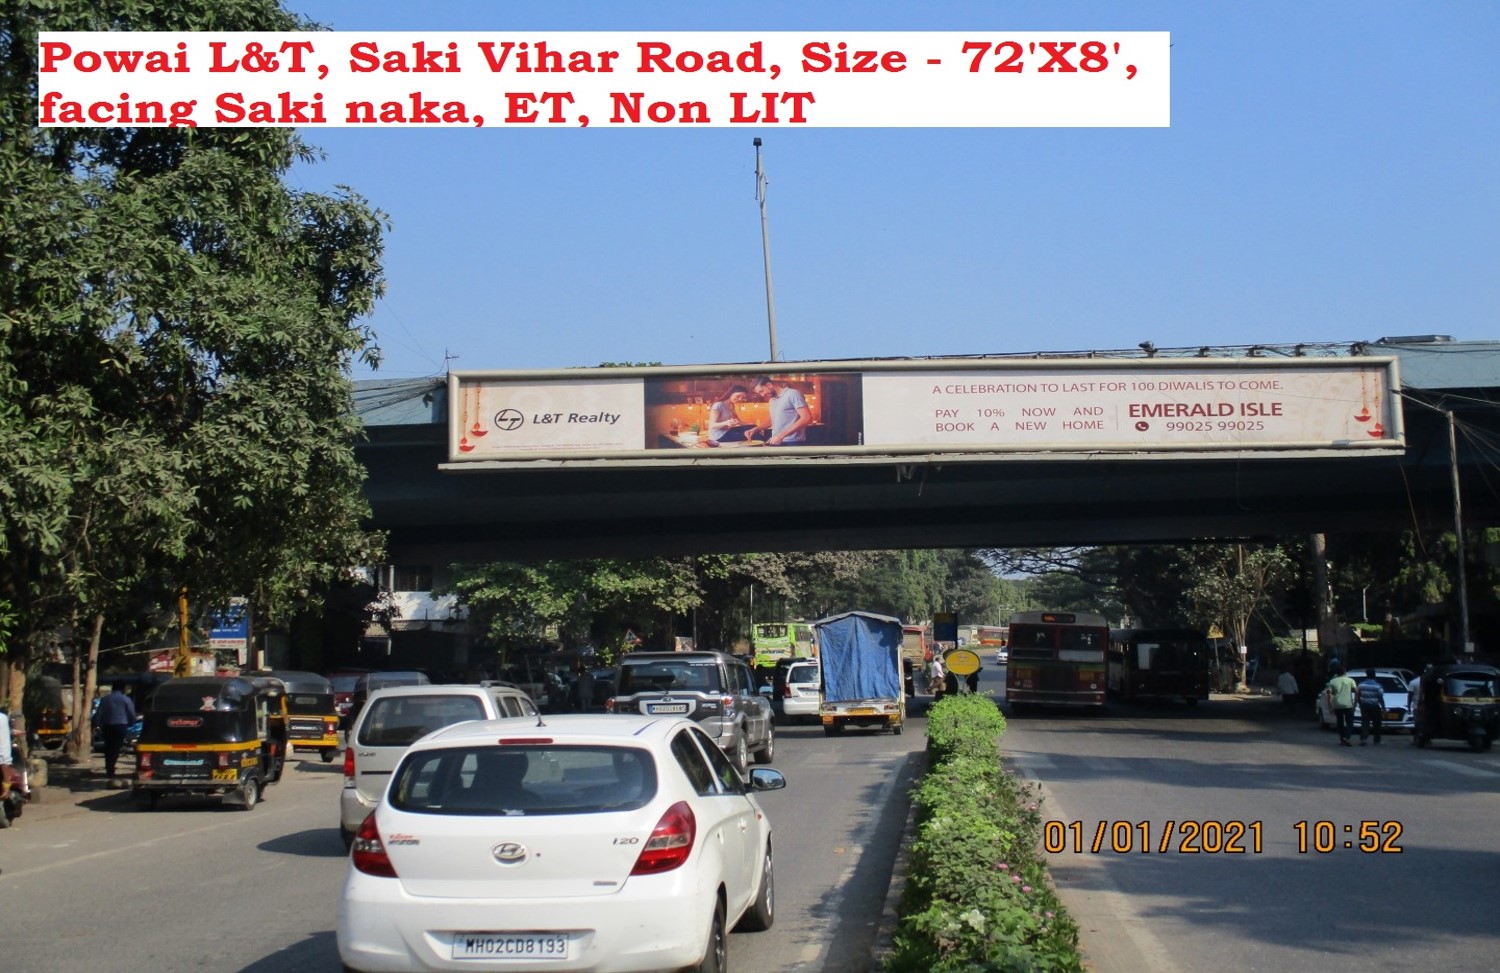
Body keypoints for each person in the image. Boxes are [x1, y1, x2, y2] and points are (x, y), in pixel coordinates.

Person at [748, 376, 814, 446]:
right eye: (759, 393)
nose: (762, 395)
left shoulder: (793, 394)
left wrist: (780, 436)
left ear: (769, 385)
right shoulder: (772, 400)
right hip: (776, 441)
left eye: (762, 391)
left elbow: (806, 418)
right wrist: (755, 429)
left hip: (792, 442)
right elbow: (772, 421)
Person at [94, 682, 137, 779]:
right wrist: (131, 722)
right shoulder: (125, 699)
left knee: (108, 746)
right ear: (123, 689)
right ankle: (111, 766)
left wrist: (98, 724)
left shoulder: (105, 699)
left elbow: (99, 713)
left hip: (107, 726)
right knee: (116, 747)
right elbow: (131, 713)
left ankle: (109, 766)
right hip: (120, 726)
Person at [1323, 665, 1358, 747]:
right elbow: (1356, 691)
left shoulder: (1332, 681)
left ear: (1337, 673)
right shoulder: (1350, 680)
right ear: (1345, 672)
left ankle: (1342, 739)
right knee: (1350, 722)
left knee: (1340, 722)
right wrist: (1355, 703)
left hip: (1337, 704)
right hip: (1348, 704)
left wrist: (1330, 706)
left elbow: (1329, 695)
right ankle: (1347, 737)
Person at [1355, 667, 1385, 745]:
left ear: (1366, 675)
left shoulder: (1361, 685)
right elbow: (1380, 697)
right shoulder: (1378, 686)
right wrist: (1383, 708)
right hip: (1375, 706)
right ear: (1374, 675)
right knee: (1377, 723)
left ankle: (1363, 739)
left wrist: (1359, 703)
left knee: (1365, 722)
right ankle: (1377, 739)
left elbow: (1358, 695)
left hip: (1364, 706)